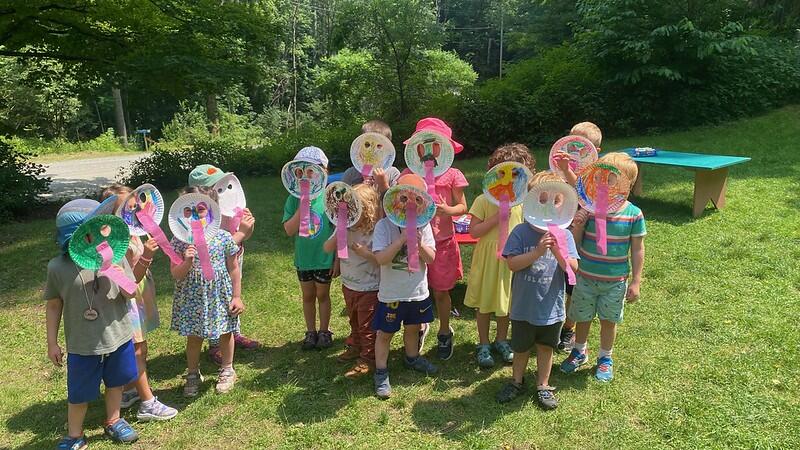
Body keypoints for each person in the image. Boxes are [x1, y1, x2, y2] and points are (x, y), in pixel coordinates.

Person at [45, 199, 141, 448]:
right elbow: (54, 305)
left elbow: (131, 293)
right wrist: (52, 343)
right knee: (79, 392)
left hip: (117, 335)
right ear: (74, 236)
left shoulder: (115, 256)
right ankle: (75, 435)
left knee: (116, 381)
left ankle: (113, 420)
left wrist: (115, 270)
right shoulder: (58, 267)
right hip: (82, 343)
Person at [560, 152, 646, 382]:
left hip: (615, 282)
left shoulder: (633, 214)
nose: (601, 182)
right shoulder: (588, 208)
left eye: (610, 178)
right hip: (585, 277)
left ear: (626, 184)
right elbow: (574, 246)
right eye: (599, 176)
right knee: (583, 316)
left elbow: (637, 249)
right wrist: (577, 226)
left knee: (609, 321)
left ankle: (605, 358)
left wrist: (636, 281)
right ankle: (579, 351)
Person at [495, 174, 579, 409]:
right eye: (541, 200)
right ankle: (516, 381)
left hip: (551, 307)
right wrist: (537, 253)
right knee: (520, 348)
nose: (549, 206)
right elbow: (512, 264)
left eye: (555, 200)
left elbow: (573, 269)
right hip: (523, 307)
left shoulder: (566, 234)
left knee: (546, 347)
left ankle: (543, 385)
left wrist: (560, 251)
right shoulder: (521, 232)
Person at [100, 185, 178, 421]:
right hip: (127, 301)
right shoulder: (111, 240)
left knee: (138, 348)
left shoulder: (132, 230)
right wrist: (146, 256)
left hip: (138, 298)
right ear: (111, 213)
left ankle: (127, 391)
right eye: (127, 207)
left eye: (134, 205)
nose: (133, 210)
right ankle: (147, 402)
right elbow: (127, 281)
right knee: (137, 350)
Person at [464, 143, 536, 368]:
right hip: (488, 260)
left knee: (507, 301)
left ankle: (502, 340)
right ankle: (483, 343)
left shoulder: (525, 203)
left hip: (512, 260)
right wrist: (497, 217)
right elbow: (474, 231)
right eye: (503, 174)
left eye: (516, 175)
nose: (509, 181)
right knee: (485, 302)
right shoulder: (483, 200)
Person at [402, 117, 468, 360]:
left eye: (435, 144)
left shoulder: (452, 174)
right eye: (423, 145)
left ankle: (444, 329)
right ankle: (419, 326)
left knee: (441, 291)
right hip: (415, 242)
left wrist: (447, 210)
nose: (429, 151)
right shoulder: (409, 174)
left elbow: (463, 207)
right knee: (417, 292)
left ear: (446, 146)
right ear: (415, 148)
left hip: (443, 243)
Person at [170, 186, 244, 396]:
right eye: (187, 210)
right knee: (194, 336)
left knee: (225, 331)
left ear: (213, 210)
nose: (193, 214)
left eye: (200, 209)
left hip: (219, 295)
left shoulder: (223, 238)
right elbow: (176, 274)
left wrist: (237, 296)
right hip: (192, 297)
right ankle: (193, 373)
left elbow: (234, 267)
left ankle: (227, 369)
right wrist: (187, 261)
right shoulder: (178, 241)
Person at [372, 174, 438, 399]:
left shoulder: (425, 226)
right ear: (393, 200)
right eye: (404, 198)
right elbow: (381, 259)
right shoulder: (383, 226)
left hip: (416, 293)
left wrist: (417, 243)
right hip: (391, 294)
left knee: (413, 328)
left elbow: (430, 258)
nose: (410, 204)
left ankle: (412, 357)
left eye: (416, 200)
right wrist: (401, 240)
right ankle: (381, 371)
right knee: (385, 333)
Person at [186, 164, 258, 365]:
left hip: (235, 258)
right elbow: (217, 246)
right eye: (216, 186)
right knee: (215, 299)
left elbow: (242, 236)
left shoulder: (230, 209)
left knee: (232, 296)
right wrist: (241, 233)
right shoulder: (205, 218)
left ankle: (234, 332)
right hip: (214, 266)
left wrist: (246, 227)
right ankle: (216, 343)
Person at [552, 121, 603, 353]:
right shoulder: (558, 170)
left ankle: (569, 328)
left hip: (584, 236)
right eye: (571, 145)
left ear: (595, 151)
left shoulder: (598, 174)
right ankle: (550, 322)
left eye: (581, 147)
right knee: (555, 278)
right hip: (560, 233)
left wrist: (567, 171)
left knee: (575, 284)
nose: (574, 153)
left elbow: (585, 194)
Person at [323, 184, 381, 378]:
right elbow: (327, 247)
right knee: (354, 320)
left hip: (370, 288)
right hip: (349, 285)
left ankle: (368, 358)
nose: (352, 215)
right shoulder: (345, 227)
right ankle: (355, 346)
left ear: (369, 210)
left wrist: (365, 253)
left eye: (357, 210)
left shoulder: (376, 230)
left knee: (367, 325)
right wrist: (340, 228)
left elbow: (382, 260)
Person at [282, 147, 336, 350]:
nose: (305, 175)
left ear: (324, 172)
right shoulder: (293, 199)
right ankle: (310, 331)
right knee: (307, 296)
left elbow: (337, 230)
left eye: (311, 170)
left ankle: (324, 331)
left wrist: (337, 259)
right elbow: (288, 229)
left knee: (322, 295)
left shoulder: (329, 197)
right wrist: (302, 205)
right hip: (304, 259)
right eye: (300, 171)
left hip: (323, 258)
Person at [341, 119, 401, 194]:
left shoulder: (393, 173)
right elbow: (343, 202)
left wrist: (383, 185)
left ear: (388, 149)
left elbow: (395, 203)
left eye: (379, 146)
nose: (372, 151)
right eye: (367, 145)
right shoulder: (351, 174)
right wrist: (361, 188)